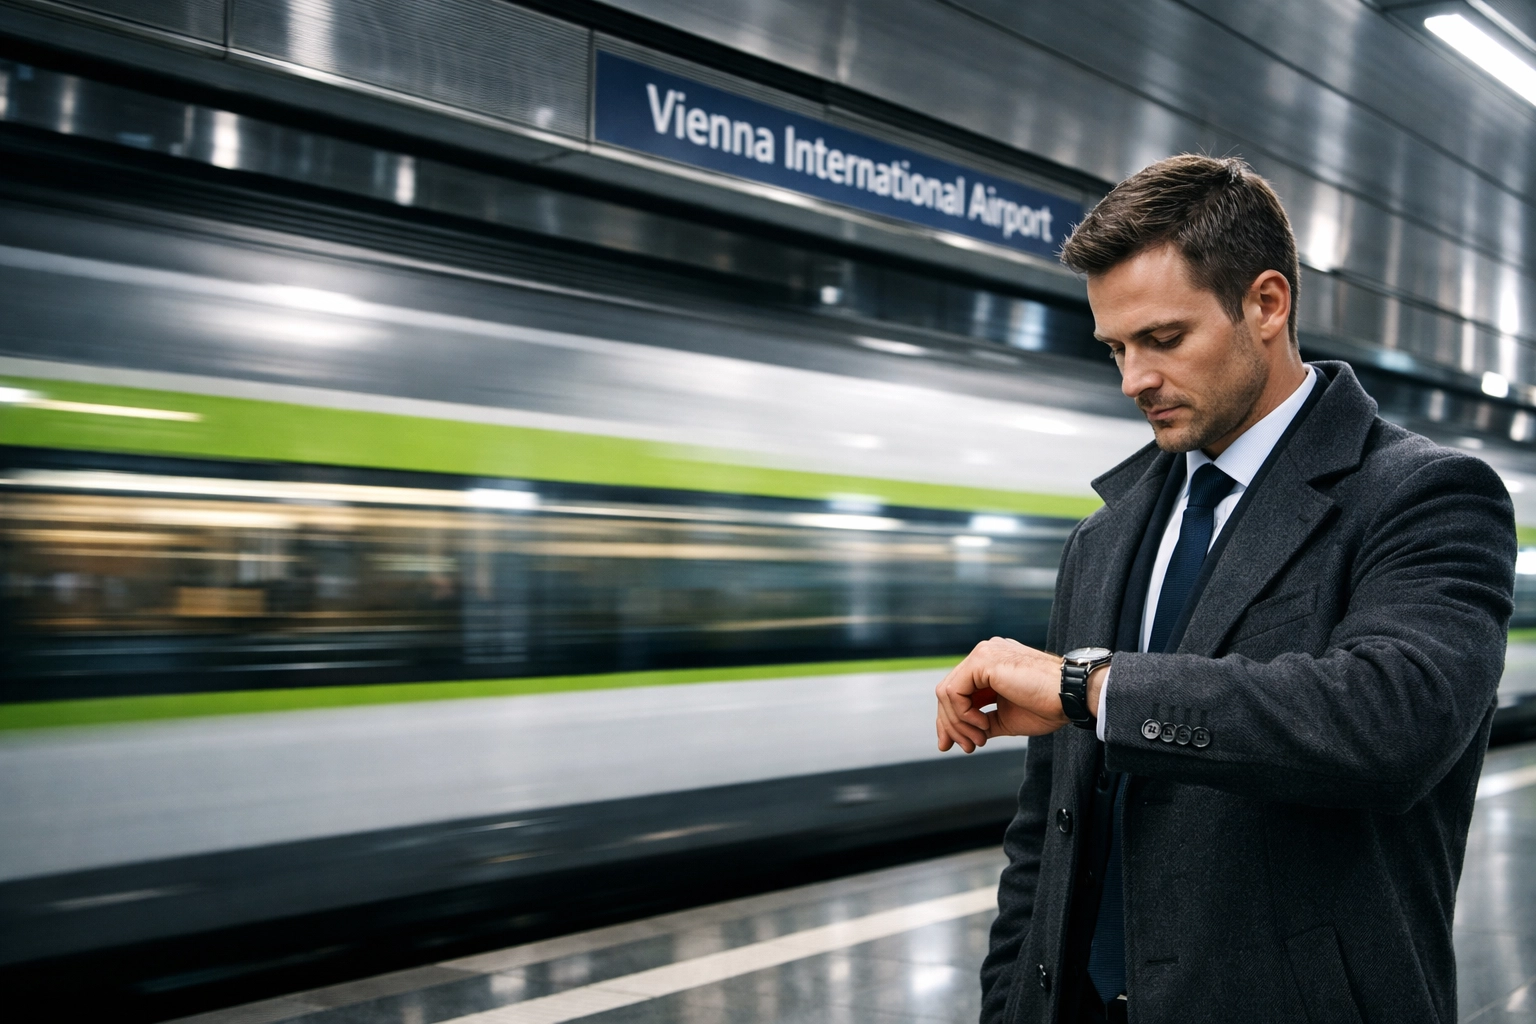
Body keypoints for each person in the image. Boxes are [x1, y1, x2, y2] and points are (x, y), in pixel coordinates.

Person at [934, 154, 1516, 1024]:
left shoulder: (1422, 495)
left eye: (1164, 340)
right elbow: (1044, 831)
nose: (1134, 380)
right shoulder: (1105, 533)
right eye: (1117, 349)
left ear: (1266, 304)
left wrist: (1090, 687)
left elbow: (1391, 721)